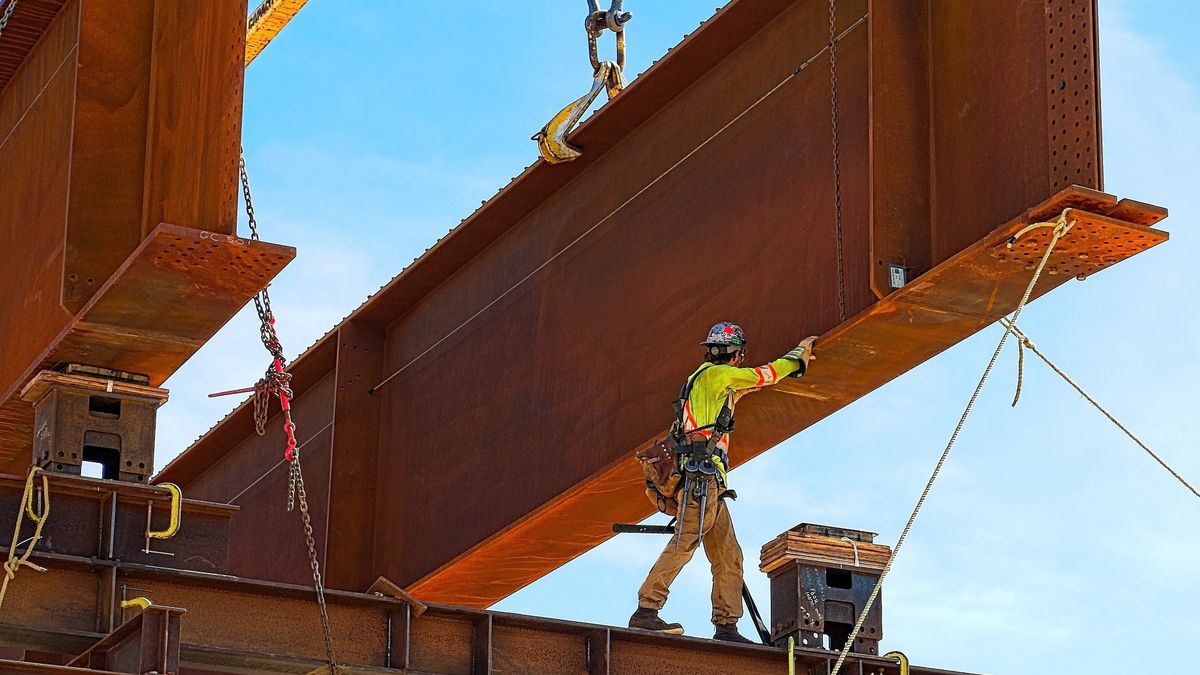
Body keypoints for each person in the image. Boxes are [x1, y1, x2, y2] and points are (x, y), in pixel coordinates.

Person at [628, 322, 817, 643]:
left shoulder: (703, 381)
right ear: (736, 354)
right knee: (685, 540)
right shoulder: (719, 376)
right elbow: (764, 376)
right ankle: (646, 610)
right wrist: (799, 356)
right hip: (702, 480)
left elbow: (746, 388)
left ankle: (727, 627)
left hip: (708, 482)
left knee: (729, 555)